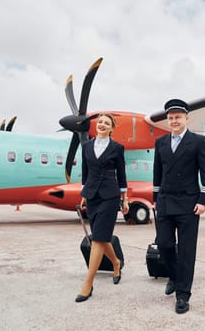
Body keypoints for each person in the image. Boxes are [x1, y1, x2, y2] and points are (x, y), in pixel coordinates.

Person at [153, 98, 205, 314]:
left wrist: (204, 199)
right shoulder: (161, 142)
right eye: (170, 118)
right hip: (165, 201)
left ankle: (182, 295)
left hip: (189, 203)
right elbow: (157, 173)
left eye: (178, 117)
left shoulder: (198, 141)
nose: (174, 121)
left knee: (187, 251)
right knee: (164, 244)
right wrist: (155, 198)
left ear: (186, 118)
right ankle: (174, 275)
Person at [75, 113, 129, 303]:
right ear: (96, 125)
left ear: (112, 128)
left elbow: (121, 174)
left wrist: (125, 198)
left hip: (110, 195)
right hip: (92, 196)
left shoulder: (117, 148)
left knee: (97, 239)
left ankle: (88, 283)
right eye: (100, 122)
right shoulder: (87, 146)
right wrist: (84, 193)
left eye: (107, 123)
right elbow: (86, 172)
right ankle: (116, 262)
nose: (102, 125)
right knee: (101, 236)